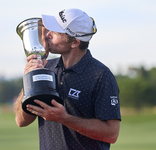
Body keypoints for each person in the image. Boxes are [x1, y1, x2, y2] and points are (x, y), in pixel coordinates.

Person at [14, 8, 121, 150]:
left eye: (55, 32)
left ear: (75, 42)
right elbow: (21, 121)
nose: (48, 35)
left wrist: (64, 118)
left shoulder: (101, 75)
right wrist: (28, 79)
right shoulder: (46, 68)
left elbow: (111, 134)